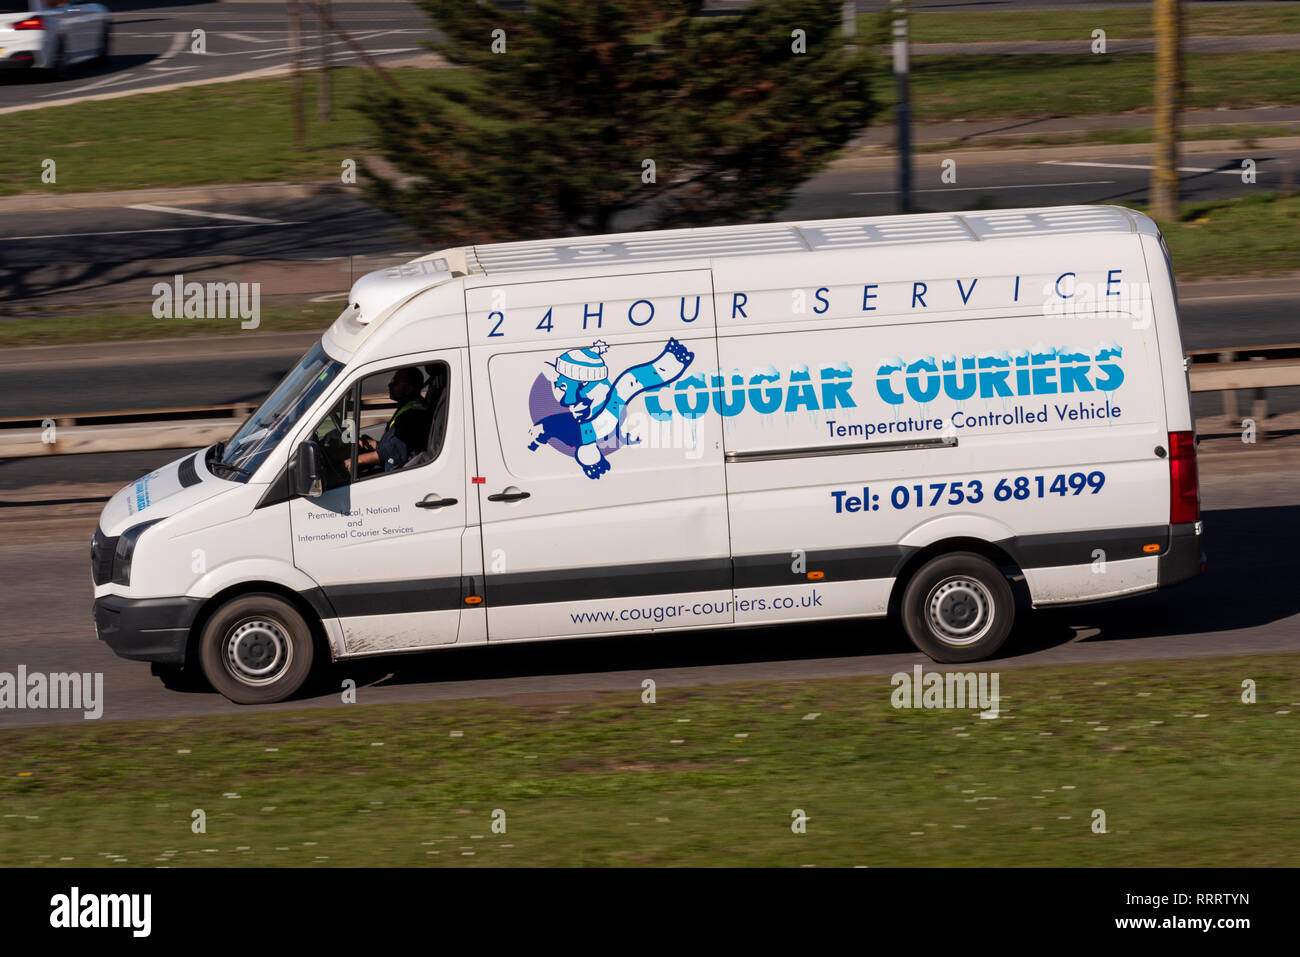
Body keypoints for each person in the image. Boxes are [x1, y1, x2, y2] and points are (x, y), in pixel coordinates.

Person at [352, 367, 431, 473]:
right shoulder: (409, 406)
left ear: (408, 389)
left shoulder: (413, 415)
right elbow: (392, 444)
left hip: (395, 471)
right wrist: (368, 444)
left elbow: (394, 451)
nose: (389, 385)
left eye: (395, 382)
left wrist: (356, 460)